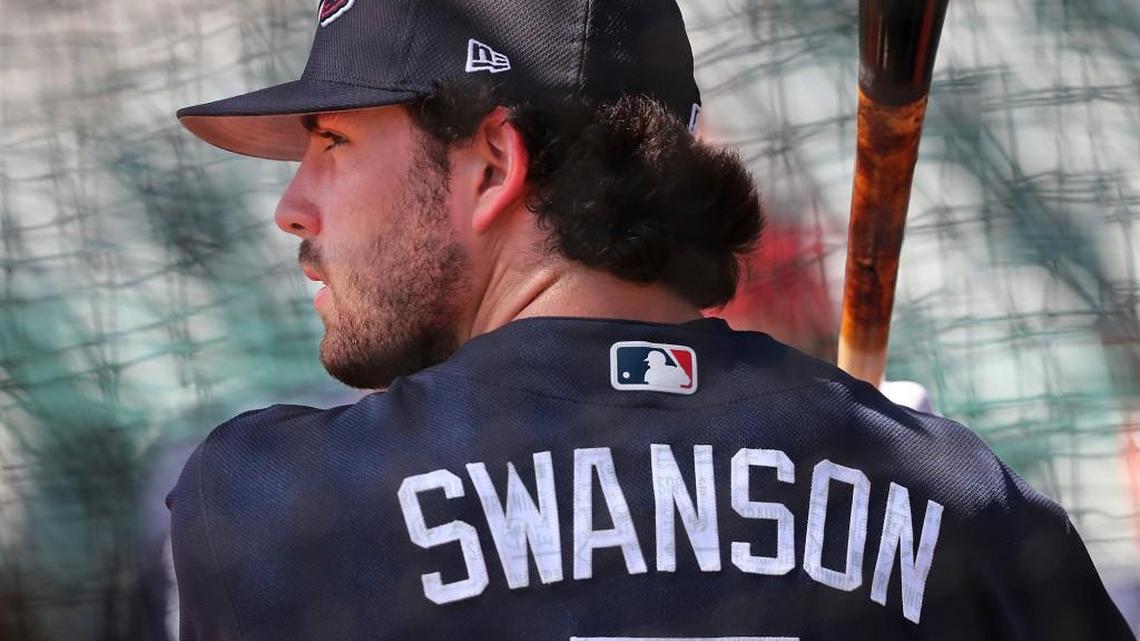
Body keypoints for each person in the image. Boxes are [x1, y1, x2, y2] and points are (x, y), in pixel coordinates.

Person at [167, 0, 1134, 639]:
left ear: (495, 166)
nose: (292, 204)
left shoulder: (264, 506)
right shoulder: (968, 505)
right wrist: (893, 473)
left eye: (333, 139)